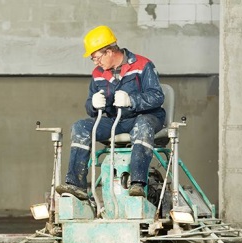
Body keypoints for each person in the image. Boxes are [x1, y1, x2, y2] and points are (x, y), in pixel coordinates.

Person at [56, 25, 165, 200]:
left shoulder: (142, 65)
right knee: (81, 127)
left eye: (96, 58)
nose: (95, 63)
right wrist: (92, 104)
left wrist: (132, 101)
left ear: (109, 52)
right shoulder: (98, 74)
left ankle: (138, 183)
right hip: (116, 121)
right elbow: (89, 106)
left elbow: (157, 96)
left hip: (146, 117)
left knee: (143, 125)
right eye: (93, 59)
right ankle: (76, 185)